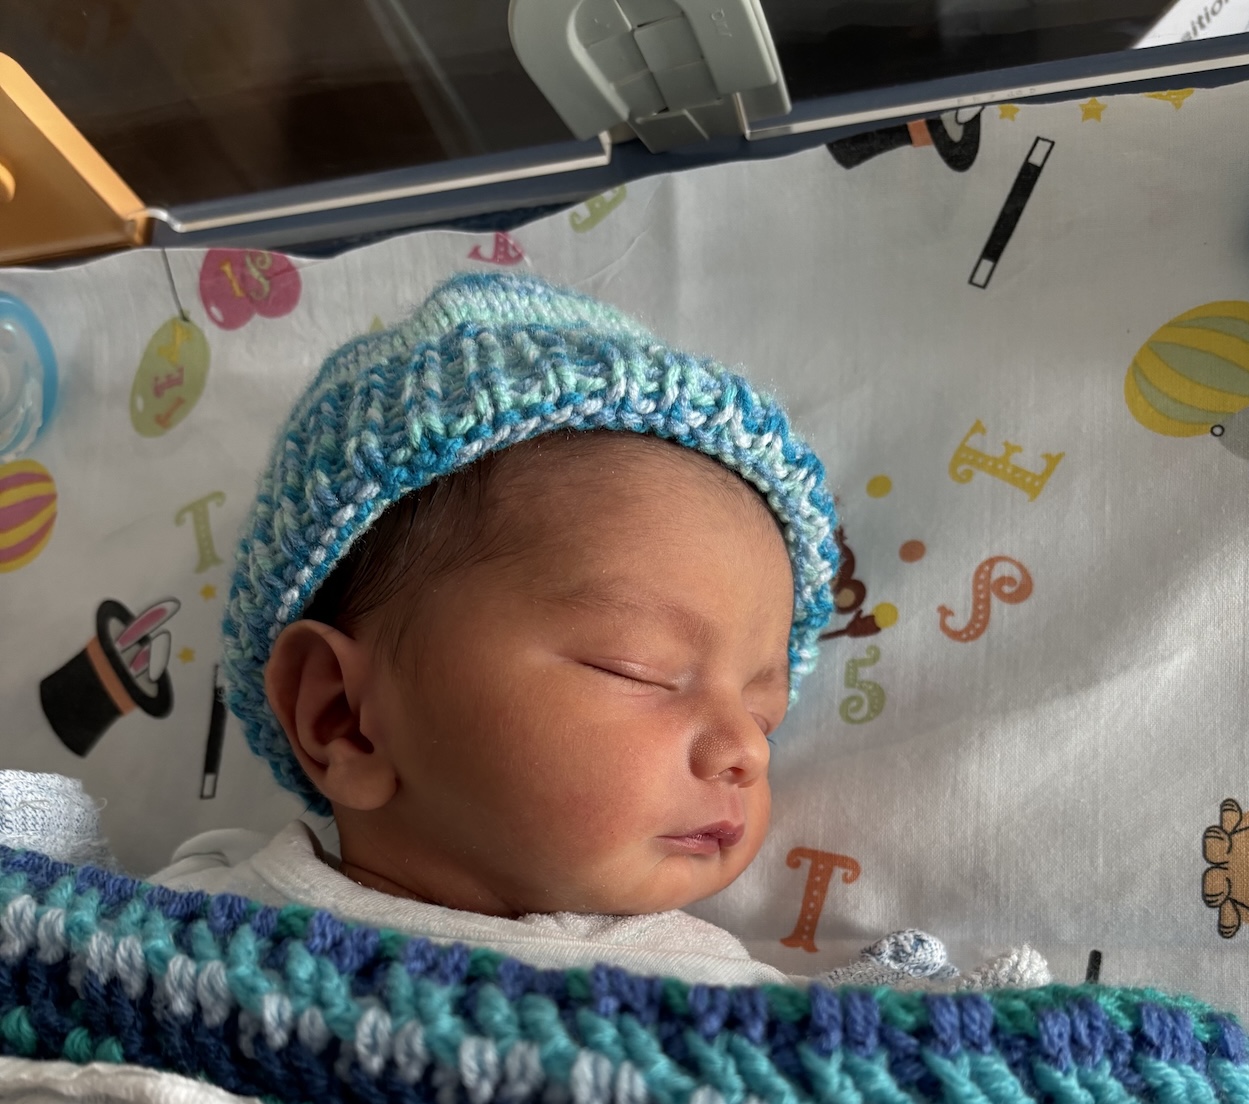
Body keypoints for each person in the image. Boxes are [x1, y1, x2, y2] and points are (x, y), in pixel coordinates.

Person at [154, 271, 1045, 991]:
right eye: (639, 669)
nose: (745, 751)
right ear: (343, 717)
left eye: (765, 714)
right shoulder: (182, 925)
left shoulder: (708, 992)